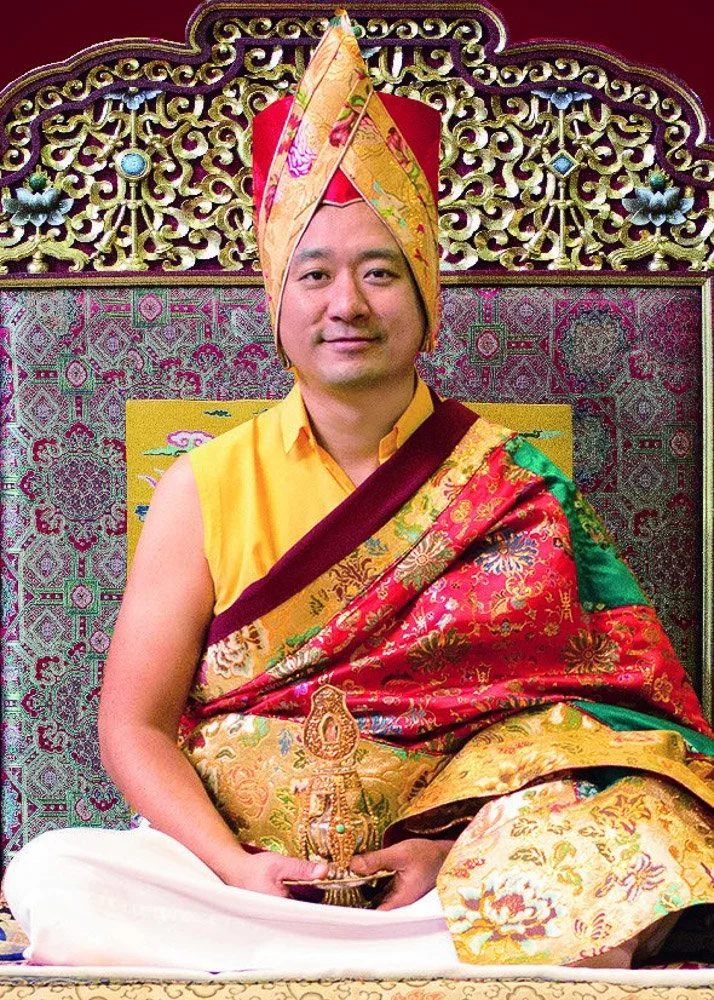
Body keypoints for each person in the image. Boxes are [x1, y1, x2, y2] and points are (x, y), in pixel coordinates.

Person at [4, 10, 714, 973]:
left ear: (424, 292)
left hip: (450, 871)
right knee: (54, 875)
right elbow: (131, 722)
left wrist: (451, 852)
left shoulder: (510, 479)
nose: (347, 304)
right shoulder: (204, 483)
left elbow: (615, 714)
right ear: (277, 302)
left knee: (641, 844)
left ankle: (376, 950)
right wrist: (231, 867)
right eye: (315, 275)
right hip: (241, 878)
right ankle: (411, 962)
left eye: (379, 271)